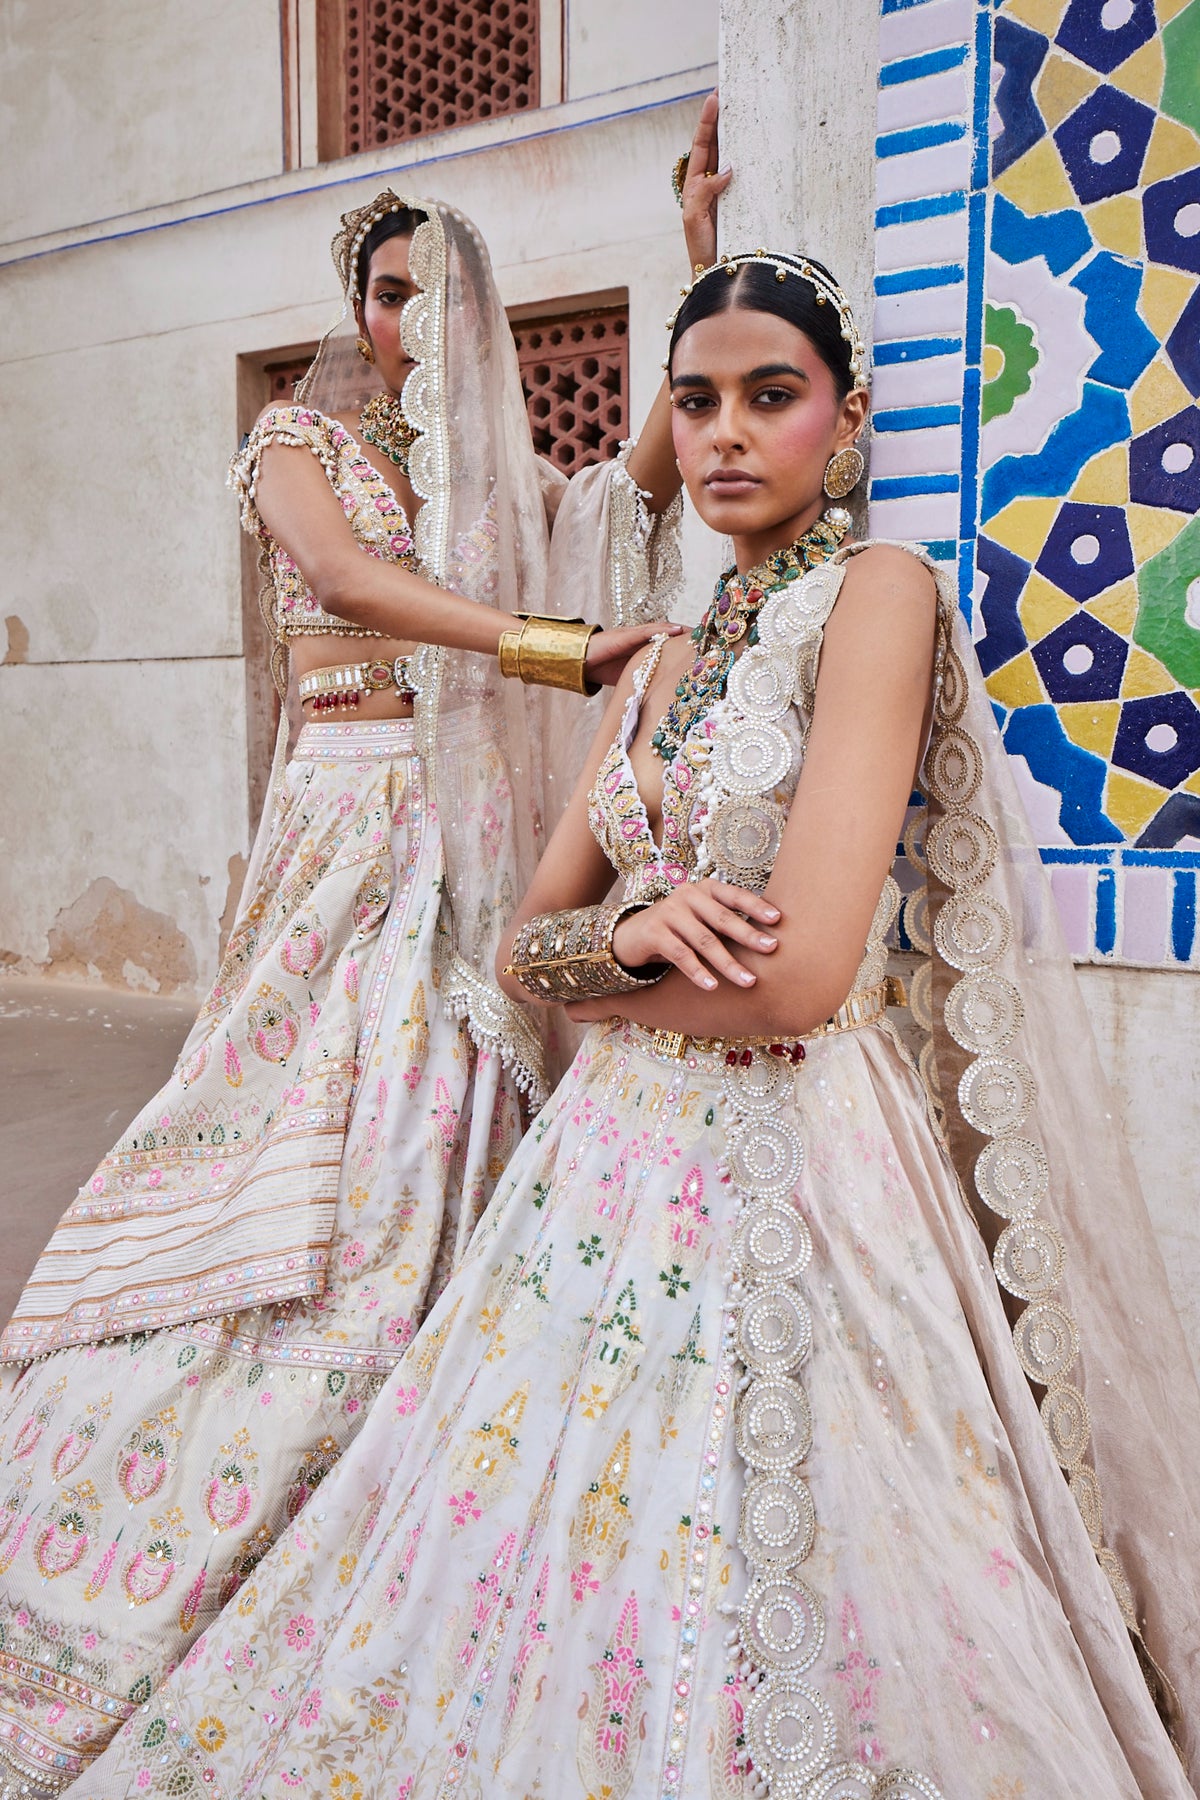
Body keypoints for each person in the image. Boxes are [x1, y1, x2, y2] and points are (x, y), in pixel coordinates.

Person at [65, 222, 1200, 1798]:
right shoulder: (668, 660)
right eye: (697, 400)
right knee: (555, 1567)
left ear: (845, 423)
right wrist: (639, 933)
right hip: (605, 1176)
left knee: (816, 1569)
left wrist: (610, 963)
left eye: (771, 395)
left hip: (803, 1165)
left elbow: (802, 979)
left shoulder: (878, 600)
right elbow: (526, 952)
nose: (725, 432)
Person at [0, 186, 684, 1797]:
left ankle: (437, 1395)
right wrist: (551, 647)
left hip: (468, 822)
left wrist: (695, 238)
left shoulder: (490, 481)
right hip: (348, 815)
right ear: (355, 307)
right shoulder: (301, 449)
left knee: (448, 1109)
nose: (406, 320)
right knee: (305, 1104)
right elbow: (353, 588)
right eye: (384, 291)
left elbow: (619, 496)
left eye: (434, 294)